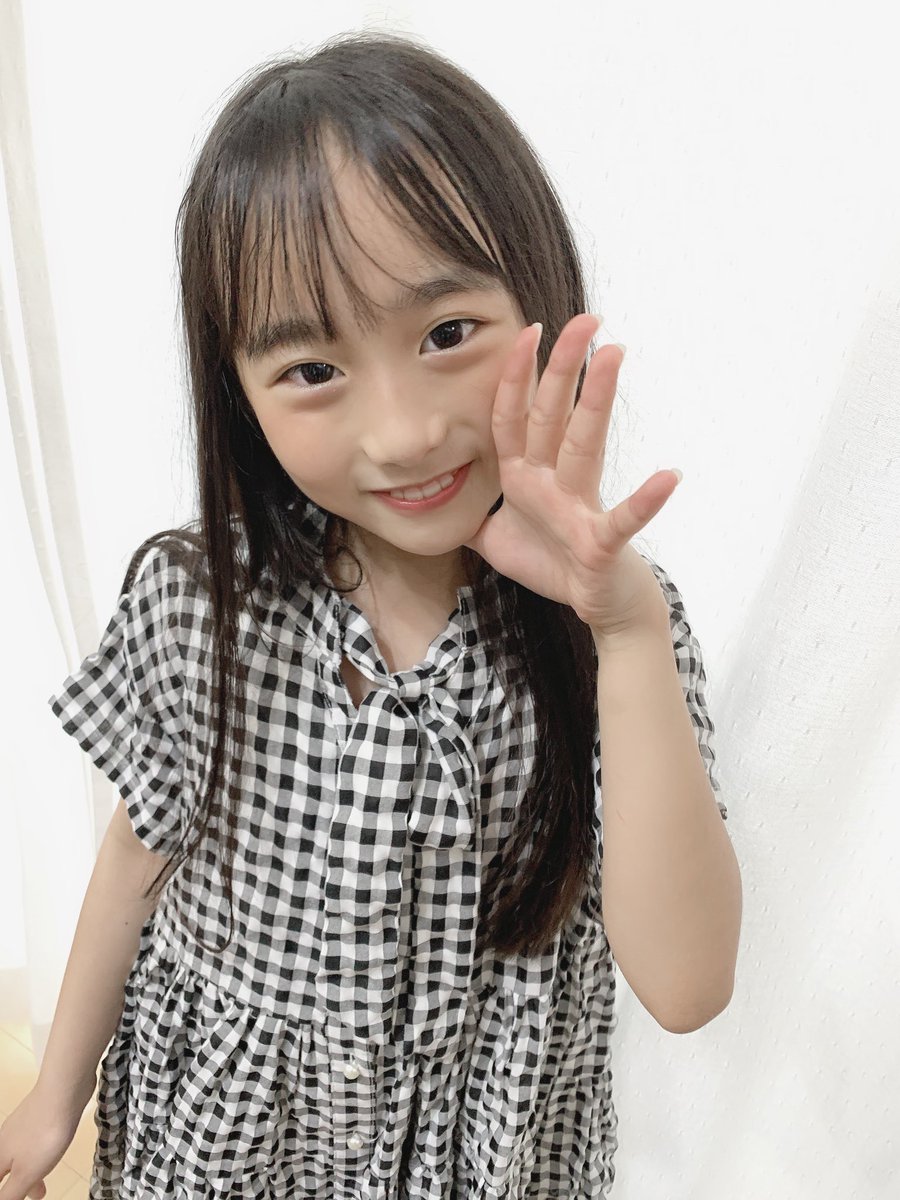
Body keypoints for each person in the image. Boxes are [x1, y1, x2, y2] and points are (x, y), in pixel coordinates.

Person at [0, 29, 735, 1200]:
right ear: (238, 393)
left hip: (477, 1160)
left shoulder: (613, 635)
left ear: (538, 299)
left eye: (446, 335)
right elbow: (136, 858)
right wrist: (55, 1099)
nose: (401, 433)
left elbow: (689, 988)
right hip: (227, 1146)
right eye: (312, 370)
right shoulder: (202, 603)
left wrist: (629, 628)